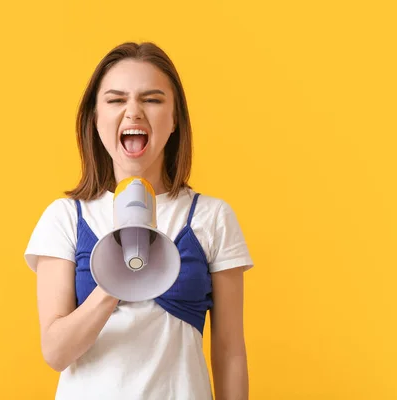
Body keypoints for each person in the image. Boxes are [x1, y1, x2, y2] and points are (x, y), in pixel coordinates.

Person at [24, 42, 255, 400]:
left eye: (152, 99)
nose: (133, 112)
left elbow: (229, 354)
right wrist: (116, 281)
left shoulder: (211, 217)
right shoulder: (66, 217)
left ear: (175, 118)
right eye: (116, 100)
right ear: (95, 118)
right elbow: (56, 352)